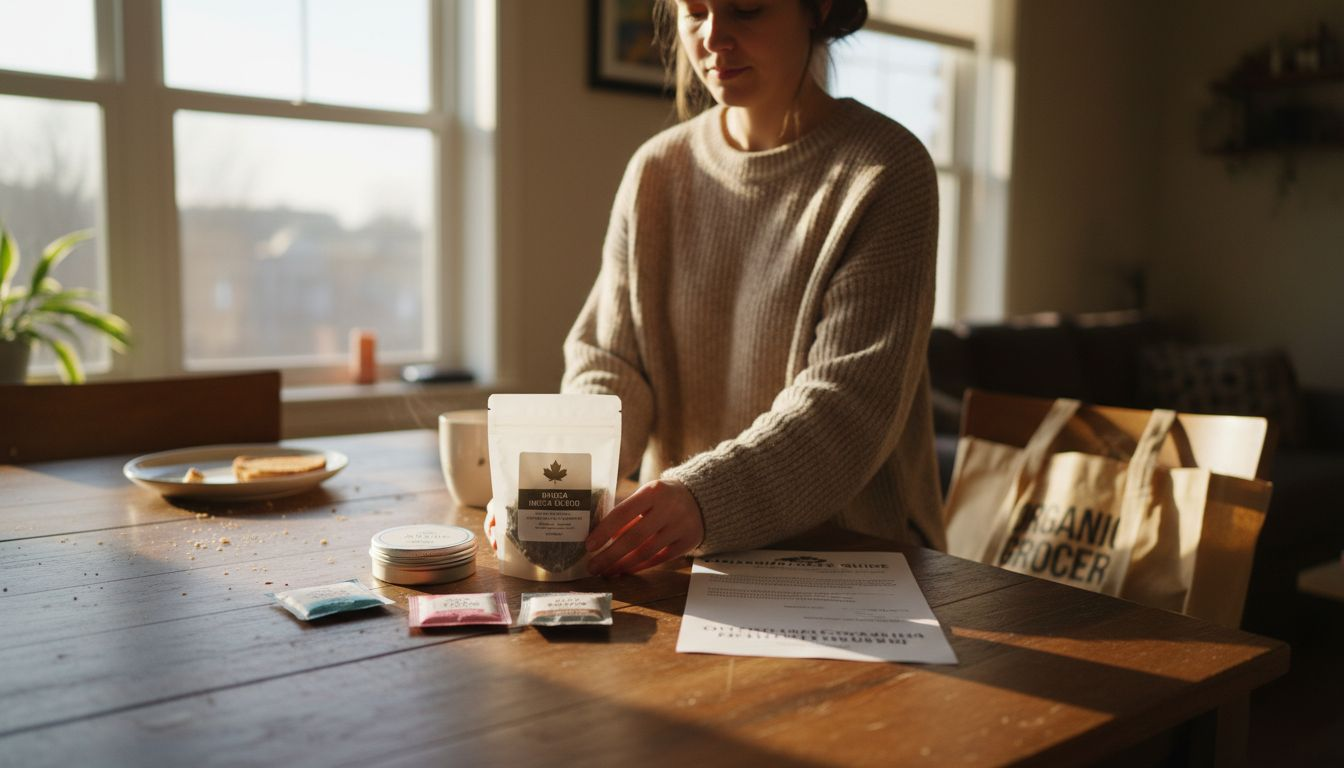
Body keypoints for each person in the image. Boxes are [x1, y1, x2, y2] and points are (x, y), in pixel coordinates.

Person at [567, 0, 945, 575]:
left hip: (852, 558)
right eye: (695, 13)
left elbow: (846, 404)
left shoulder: (885, 169)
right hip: (680, 556)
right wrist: (564, 484)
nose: (714, 38)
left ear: (815, 10)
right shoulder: (655, 171)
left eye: (746, 10)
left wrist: (700, 499)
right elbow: (612, 363)